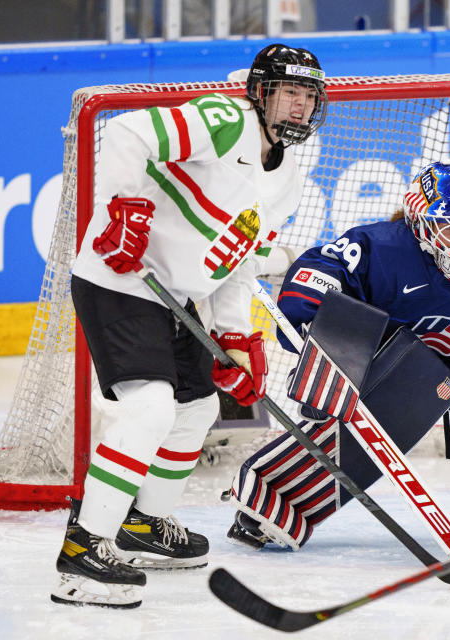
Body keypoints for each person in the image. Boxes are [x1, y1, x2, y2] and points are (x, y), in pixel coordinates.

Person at [51, 43, 328, 609]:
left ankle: (143, 526)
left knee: (198, 405)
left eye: (308, 95)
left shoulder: (289, 175)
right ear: (260, 92)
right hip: (117, 278)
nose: (299, 106)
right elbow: (127, 133)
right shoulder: (224, 119)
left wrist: (233, 337)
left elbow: (240, 259)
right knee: (149, 405)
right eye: (288, 92)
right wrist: (125, 208)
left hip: (174, 297)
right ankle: (83, 551)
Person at [225, 162, 450, 597]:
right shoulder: (381, 247)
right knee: (406, 382)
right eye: (449, 228)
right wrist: (318, 331)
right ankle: (271, 499)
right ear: (420, 223)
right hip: (399, 371)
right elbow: (315, 272)